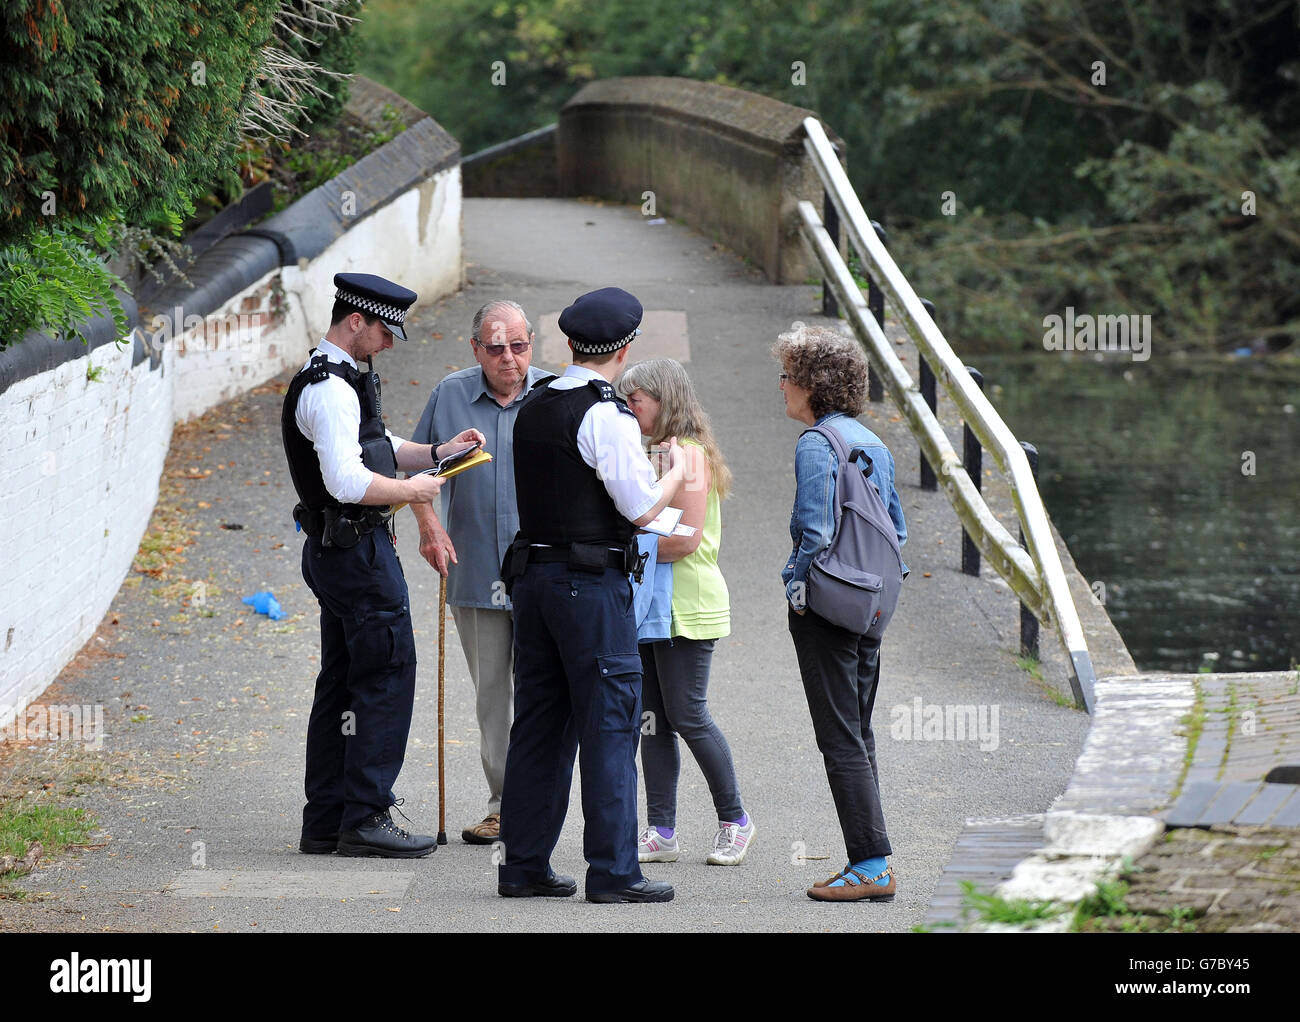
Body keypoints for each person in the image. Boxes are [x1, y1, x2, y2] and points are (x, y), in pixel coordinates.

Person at [496, 287, 688, 903]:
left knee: (540, 725)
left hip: (534, 578)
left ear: (571, 344)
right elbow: (636, 508)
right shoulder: (607, 414)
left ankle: (523, 864)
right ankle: (613, 871)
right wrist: (677, 477)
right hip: (589, 585)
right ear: (625, 349)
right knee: (609, 724)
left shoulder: (534, 402)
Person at [283, 272, 484, 858]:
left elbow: (376, 445)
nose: (391, 343)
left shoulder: (337, 377)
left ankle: (326, 819)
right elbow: (346, 480)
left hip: (338, 551)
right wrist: (416, 490)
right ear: (355, 323)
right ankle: (367, 815)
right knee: (384, 676)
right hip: (357, 553)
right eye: (384, 331)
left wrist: (439, 454)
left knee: (343, 682)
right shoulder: (331, 389)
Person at [410, 300, 552, 846]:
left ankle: (541, 801)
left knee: (543, 691)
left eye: (518, 347)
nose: (508, 359)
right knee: (493, 694)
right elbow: (417, 464)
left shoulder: (556, 395)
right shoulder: (449, 394)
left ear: (531, 345)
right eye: (495, 348)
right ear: (476, 349)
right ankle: (503, 804)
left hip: (544, 571)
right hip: (474, 571)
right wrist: (428, 526)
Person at [774, 324, 908, 901]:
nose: (780, 387)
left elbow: (815, 530)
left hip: (830, 607)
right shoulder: (872, 442)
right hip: (871, 604)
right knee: (859, 731)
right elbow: (897, 530)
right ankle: (870, 857)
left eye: (786, 376)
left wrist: (796, 587)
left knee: (839, 738)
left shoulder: (816, 444)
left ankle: (872, 866)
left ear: (810, 383)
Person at [616, 359, 753, 866]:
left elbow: (685, 541)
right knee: (653, 719)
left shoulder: (688, 456)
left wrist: (623, 544)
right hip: (654, 606)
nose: (629, 409)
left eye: (637, 400)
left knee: (688, 715)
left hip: (687, 606)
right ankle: (662, 831)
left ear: (664, 400)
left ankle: (736, 820)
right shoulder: (657, 451)